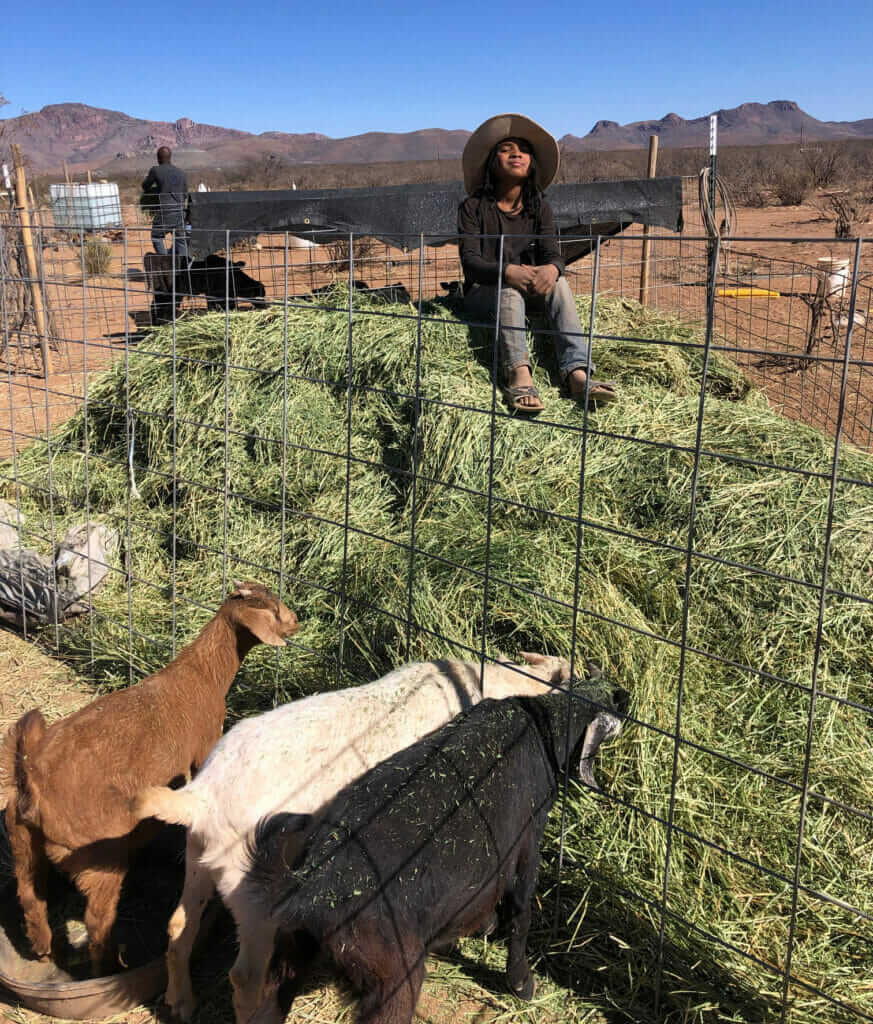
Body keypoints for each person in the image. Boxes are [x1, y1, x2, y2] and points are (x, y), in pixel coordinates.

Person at [458, 113, 617, 414]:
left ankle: (577, 374)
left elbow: (552, 252)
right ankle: (519, 376)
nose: (516, 153)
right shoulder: (473, 207)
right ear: (492, 161)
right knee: (509, 291)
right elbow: (471, 263)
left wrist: (552, 268)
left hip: (529, 292)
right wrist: (507, 272)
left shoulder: (539, 207)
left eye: (523, 150)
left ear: (531, 162)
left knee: (559, 283)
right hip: (484, 294)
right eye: (505, 149)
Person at [142, 147, 189, 261]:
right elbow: (185, 194)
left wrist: (157, 190)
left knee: (156, 237)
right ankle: (183, 269)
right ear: (170, 157)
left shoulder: (156, 170)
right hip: (180, 212)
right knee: (181, 240)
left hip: (165, 212)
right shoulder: (181, 173)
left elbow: (145, 186)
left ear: (158, 158)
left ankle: (166, 262)